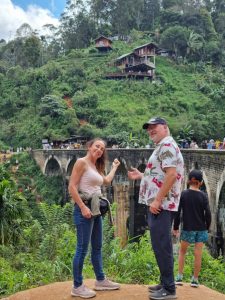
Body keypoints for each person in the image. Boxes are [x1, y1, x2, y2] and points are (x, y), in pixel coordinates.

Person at [128, 117, 184, 300]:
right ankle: (165, 282)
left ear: (165, 128)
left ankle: (169, 289)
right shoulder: (163, 146)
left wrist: (158, 200)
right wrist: (142, 176)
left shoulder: (167, 145)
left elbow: (171, 175)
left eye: (154, 127)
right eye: (148, 129)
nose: (151, 131)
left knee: (162, 246)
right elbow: (160, 174)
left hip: (161, 206)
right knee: (160, 245)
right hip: (160, 204)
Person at [68, 138, 121, 298]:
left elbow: (106, 181)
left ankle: (100, 280)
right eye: (97, 146)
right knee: (82, 249)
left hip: (96, 210)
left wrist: (114, 167)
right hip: (84, 209)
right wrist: (83, 207)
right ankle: (77, 286)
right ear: (90, 146)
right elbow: (71, 187)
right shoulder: (81, 163)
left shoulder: (96, 166)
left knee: (97, 246)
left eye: (102, 149)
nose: (99, 150)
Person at [173, 169, 211, 288]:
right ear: (200, 182)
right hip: (201, 229)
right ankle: (195, 279)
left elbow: (178, 212)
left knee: (182, 252)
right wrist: (207, 228)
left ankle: (179, 277)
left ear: (189, 181)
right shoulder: (203, 196)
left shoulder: (184, 194)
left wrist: (175, 227)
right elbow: (208, 213)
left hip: (188, 228)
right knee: (198, 254)